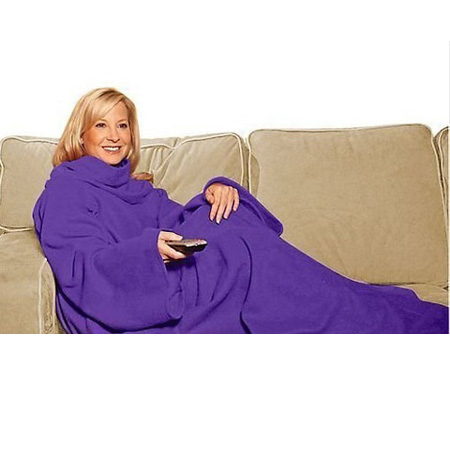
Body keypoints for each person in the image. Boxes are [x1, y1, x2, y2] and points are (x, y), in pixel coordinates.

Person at [32, 87, 449, 334]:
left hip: (177, 275)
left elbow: (180, 222)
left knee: (231, 221)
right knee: (240, 249)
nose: (114, 136)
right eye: (101, 125)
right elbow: (81, 262)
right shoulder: (67, 187)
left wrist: (215, 191)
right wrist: (147, 252)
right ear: (81, 134)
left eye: (122, 125)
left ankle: (352, 305)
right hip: (135, 294)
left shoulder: (136, 187)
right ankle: (355, 310)